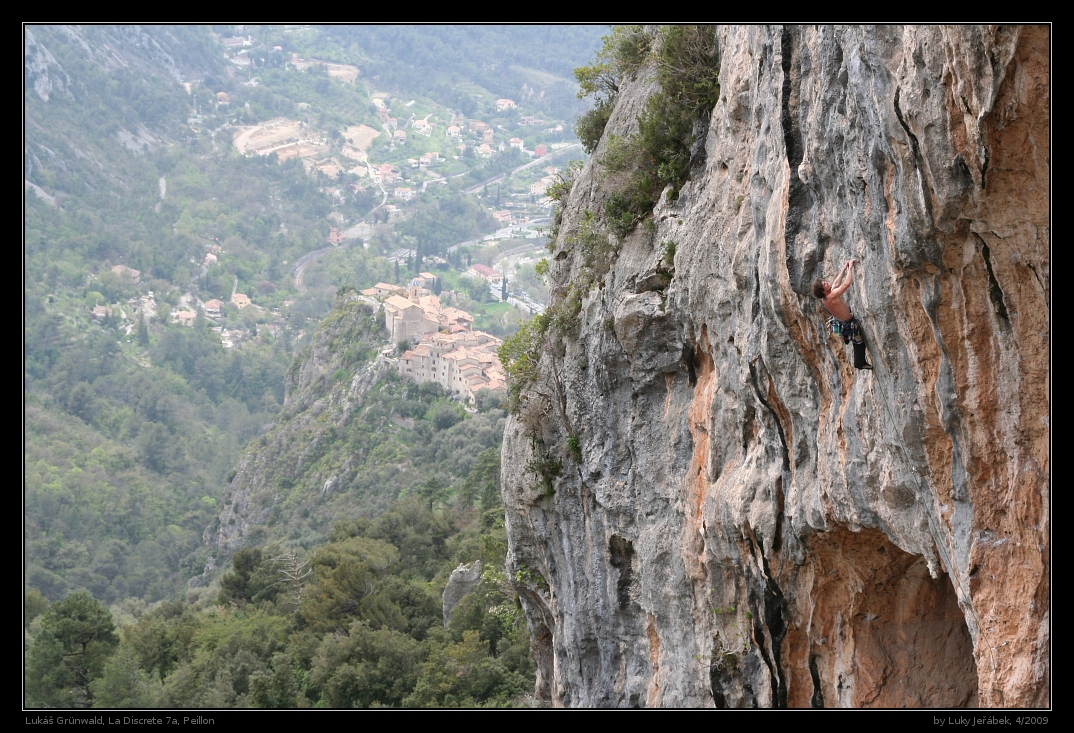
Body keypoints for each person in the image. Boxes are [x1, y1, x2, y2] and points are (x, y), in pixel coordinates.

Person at [813, 260, 872, 370]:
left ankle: (848, 340)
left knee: (856, 340)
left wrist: (844, 268)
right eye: (824, 284)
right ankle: (859, 363)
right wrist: (850, 268)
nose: (827, 283)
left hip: (841, 321)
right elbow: (846, 284)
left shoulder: (825, 297)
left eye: (825, 282)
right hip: (848, 323)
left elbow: (835, 283)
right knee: (859, 343)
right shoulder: (831, 296)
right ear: (823, 291)